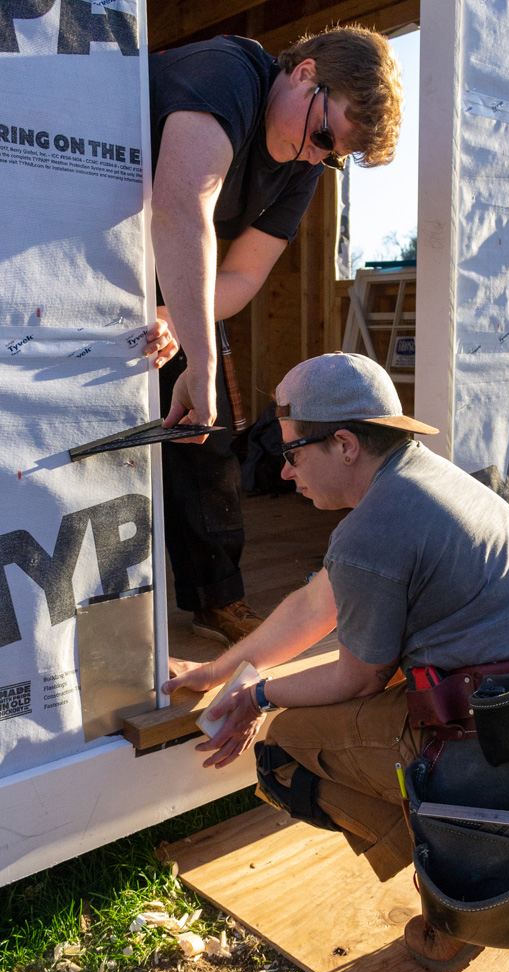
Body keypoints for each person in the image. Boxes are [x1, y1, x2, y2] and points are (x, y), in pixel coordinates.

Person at [162, 352, 509, 972]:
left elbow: (353, 675)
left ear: (343, 444)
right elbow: (319, 603)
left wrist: (258, 699)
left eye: (292, 452)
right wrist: (220, 670)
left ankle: (462, 898)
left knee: (284, 752)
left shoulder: (375, 528)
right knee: (355, 697)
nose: (282, 473)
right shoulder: (421, 478)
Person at [140, 26, 403, 645]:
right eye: (322, 137)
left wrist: (177, 321)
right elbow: (182, 206)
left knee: (204, 435)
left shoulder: (304, 165)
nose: (318, 157)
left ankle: (216, 598)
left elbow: (243, 273)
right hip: (89, 248)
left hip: (175, 273)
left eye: (333, 155)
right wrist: (198, 360)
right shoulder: (228, 73)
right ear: (305, 74)